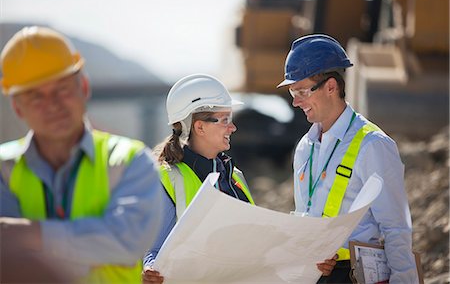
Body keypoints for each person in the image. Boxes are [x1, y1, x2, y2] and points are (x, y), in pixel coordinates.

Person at [0, 26, 175, 283]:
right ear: (17, 106)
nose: (53, 105)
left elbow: (126, 242)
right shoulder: (3, 167)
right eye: (36, 96)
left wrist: (29, 233)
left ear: (83, 86)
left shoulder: (131, 160)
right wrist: (94, 241)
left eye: (62, 89)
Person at [277, 34, 418, 283]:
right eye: (292, 92)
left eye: (301, 91)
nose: (296, 102)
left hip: (354, 274)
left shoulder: (374, 145)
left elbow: (396, 227)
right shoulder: (304, 147)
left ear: (331, 87)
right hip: (311, 274)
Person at [142, 74, 255, 284]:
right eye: (225, 120)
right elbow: (154, 251)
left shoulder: (235, 176)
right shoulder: (167, 178)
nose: (233, 128)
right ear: (200, 127)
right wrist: (150, 270)